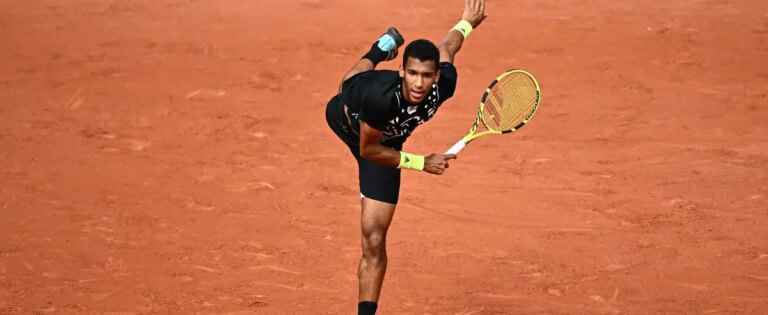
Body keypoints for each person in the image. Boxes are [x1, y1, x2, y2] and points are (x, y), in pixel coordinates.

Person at [324, 1, 486, 314]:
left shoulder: (444, 85)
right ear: (402, 72)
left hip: (389, 140)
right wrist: (420, 162)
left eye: (426, 75)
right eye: (411, 73)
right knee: (348, 82)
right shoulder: (383, 99)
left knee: (373, 238)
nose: (418, 83)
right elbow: (368, 150)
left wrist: (466, 22)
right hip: (350, 122)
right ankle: (379, 50)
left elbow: (447, 46)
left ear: (436, 76)